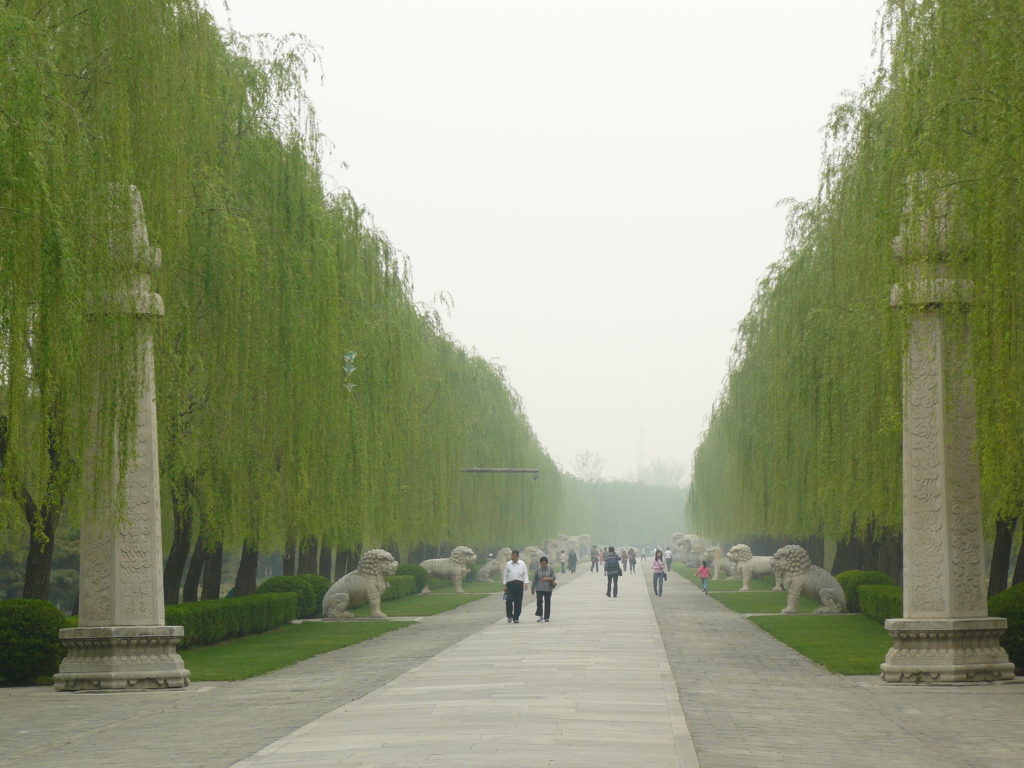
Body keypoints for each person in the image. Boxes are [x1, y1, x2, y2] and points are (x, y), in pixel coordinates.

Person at [502, 549, 530, 623]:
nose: (513, 558)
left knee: (518, 601)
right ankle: (509, 615)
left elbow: (525, 573)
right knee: (509, 600)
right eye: (512, 556)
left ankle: (516, 617)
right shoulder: (508, 564)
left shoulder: (522, 563)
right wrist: (504, 585)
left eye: (514, 556)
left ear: (517, 557)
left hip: (519, 584)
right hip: (510, 584)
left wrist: (526, 583)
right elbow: (505, 575)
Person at [532, 556, 557, 622]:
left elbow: (554, 577)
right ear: (540, 563)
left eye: (545, 563)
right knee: (539, 601)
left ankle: (546, 617)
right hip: (539, 588)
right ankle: (540, 616)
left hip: (548, 588)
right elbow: (534, 579)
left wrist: (547, 578)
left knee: (547, 602)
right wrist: (532, 588)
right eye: (542, 564)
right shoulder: (537, 570)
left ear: (547, 563)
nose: (543, 565)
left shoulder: (550, 569)